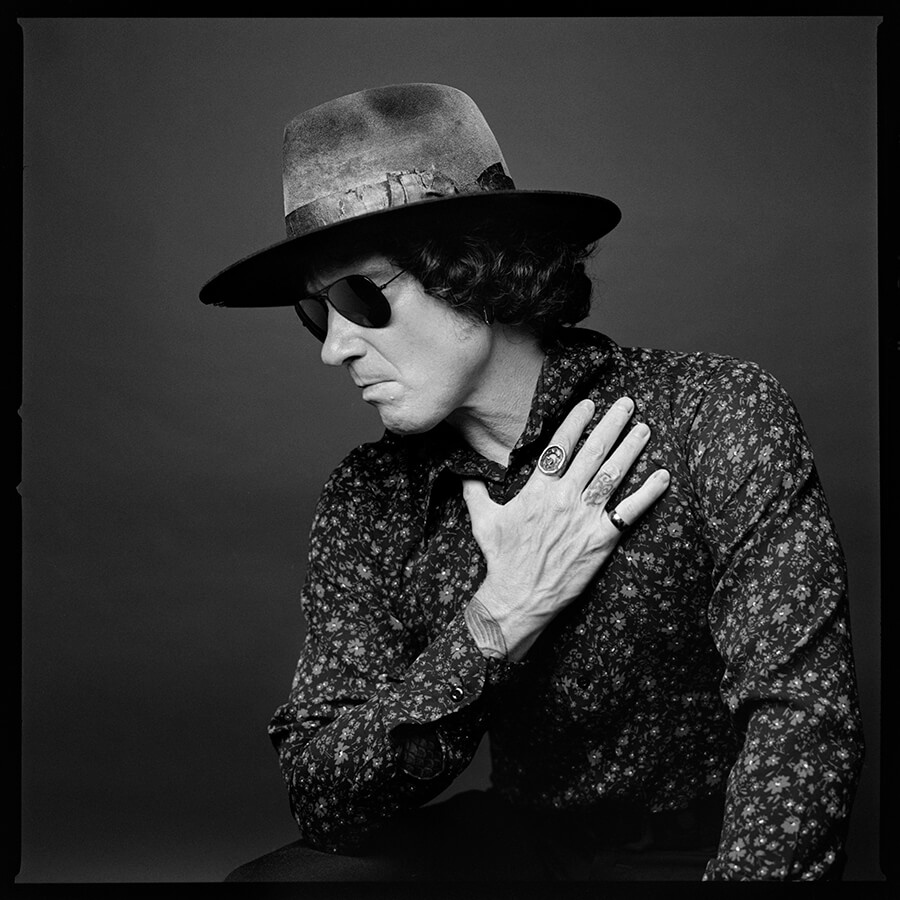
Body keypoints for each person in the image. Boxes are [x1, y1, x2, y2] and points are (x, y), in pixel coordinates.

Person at [200, 83, 864, 881]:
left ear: (474, 266)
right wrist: (500, 615)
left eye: (358, 296)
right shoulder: (372, 496)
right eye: (315, 311)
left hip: (700, 852)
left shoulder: (713, 415)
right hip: (527, 850)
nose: (332, 347)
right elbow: (326, 796)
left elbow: (804, 722)